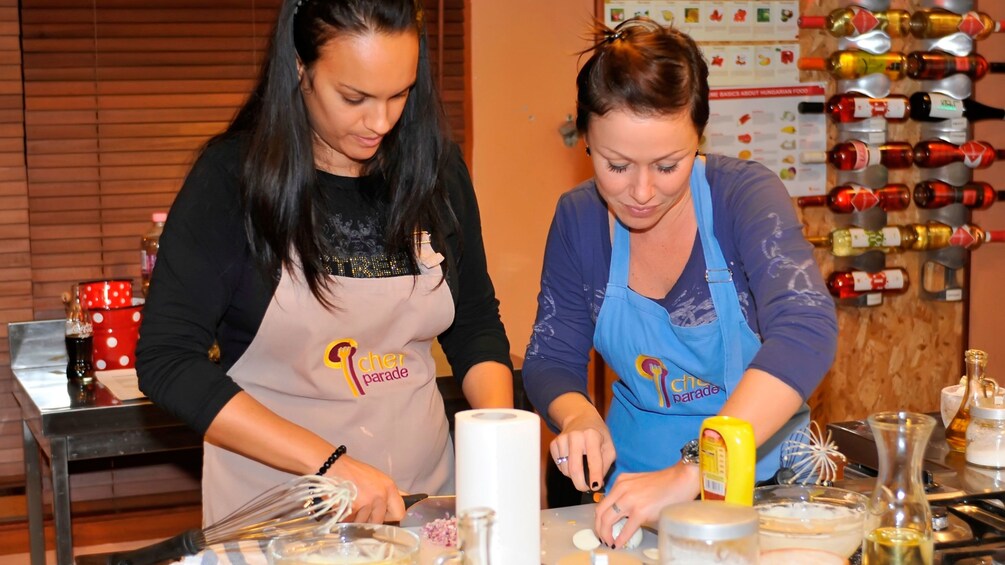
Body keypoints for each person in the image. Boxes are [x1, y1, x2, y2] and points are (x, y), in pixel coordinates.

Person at [135, 0, 514, 526]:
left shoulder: (437, 170)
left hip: (424, 507)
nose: (380, 121)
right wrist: (329, 463)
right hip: (278, 512)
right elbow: (168, 362)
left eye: (399, 94)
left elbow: (474, 323)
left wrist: (494, 439)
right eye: (354, 97)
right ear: (299, 67)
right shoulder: (232, 181)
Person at [522, 17, 838, 549]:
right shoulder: (578, 220)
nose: (642, 191)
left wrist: (697, 468)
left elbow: (806, 329)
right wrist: (577, 415)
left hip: (769, 491)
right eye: (616, 165)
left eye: (668, 166)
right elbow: (551, 356)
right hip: (635, 497)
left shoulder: (744, 198)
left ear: (698, 138)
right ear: (585, 140)